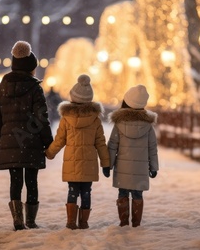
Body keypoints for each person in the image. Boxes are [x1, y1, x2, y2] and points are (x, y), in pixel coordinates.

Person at [0, 41, 53, 231]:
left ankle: (18, 220)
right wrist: (48, 142)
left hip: (12, 141)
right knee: (32, 181)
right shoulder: (35, 89)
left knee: (15, 181)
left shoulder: (1, 89)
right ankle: (31, 221)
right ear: (31, 69)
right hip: (31, 142)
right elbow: (41, 118)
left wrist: (5, 138)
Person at [45, 74, 110, 230]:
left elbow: (60, 140)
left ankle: (71, 221)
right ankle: (84, 222)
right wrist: (106, 163)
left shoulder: (66, 118)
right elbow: (100, 142)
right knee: (86, 192)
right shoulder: (95, 119)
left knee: (72, 191)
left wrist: (49, 153)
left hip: (72, 163)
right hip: (89, 163)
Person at [107, 85, 158, 227]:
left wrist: (108, 164)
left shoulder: (119, 123)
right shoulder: (148, 125)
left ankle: (123, 223)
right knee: (137, 195)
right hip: (140, 169)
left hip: (123, 167)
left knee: (122, 193)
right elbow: (152, 148)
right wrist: (154, 167)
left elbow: (112, 145)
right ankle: (136, 224)